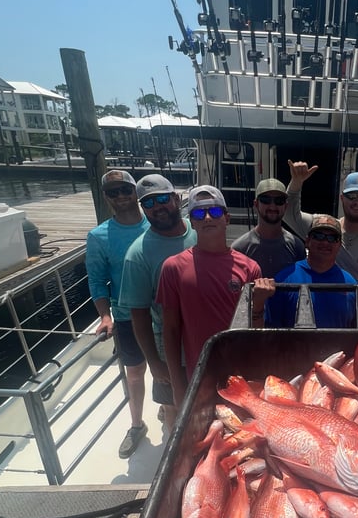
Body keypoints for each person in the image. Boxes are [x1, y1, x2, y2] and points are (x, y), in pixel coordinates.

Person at [156, 185, 268, 409]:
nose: (207, 217)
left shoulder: (250, 267)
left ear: (226, 218)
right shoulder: (173, 267)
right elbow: (170, 329)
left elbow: (256, 331)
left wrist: (260, 303)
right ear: (193, 222)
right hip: (198, 373)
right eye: (199, 213)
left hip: (240, 372)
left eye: (215, 212)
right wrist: (177, 386)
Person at [118, 174, 197, 433]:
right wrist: (153, 361)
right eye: (149, 203)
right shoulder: (137, 254)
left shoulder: (199, 232)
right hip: (166, 341)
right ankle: (175, 464)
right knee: (174, 406)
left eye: (163, 199)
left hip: (204, 332)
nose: (158, 207)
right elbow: (138, 315)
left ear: (176, 198)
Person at [85, 169, 150, 459]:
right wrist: (105, 316)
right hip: (126, 316)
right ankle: (136, 425)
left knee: (170, 369)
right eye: (114, 192)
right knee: (134, 373)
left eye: (126, 190)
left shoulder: (158, 224)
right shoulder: (98, 236)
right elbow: (97, 280)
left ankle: (166, 407)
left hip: (164, 313)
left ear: (135, 191)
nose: (121, 196)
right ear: (106, 197)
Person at [283, 161, 358, 294]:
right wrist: (296, 182)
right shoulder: (325, 228)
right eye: (352, 196)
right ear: (342, 198)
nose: (357, 202)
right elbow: (288, 214)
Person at [262, 214, 358, 328]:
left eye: (332, 238)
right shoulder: (284, 279)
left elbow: (357, 334)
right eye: (319, 236)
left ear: (339, 245)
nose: (325, 242)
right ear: (307, 241)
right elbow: (271, 331)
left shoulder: (351, 285)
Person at [230, 178, 305, 277]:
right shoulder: (240, 248)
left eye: (279, 201)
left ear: (286, 206)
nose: (272, 206)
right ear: (256, 204)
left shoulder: (297, 246)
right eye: (266, 200)